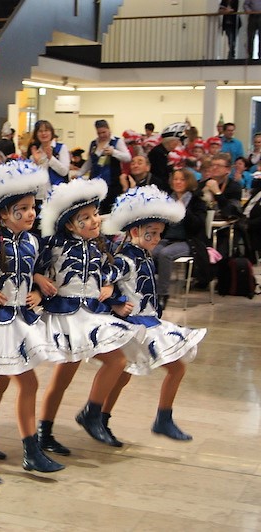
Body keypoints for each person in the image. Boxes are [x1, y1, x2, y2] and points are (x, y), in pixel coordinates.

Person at [34, 179, 144, 452]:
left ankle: (91, 413)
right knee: (63, 378)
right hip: (66, 316)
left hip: (92, 314)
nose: (95, 220)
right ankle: (46, 432)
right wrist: (38, 282)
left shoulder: (99, 246)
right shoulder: (55, 245)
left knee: (118, 359)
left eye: (96, 214)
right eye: (85, 217)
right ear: (69, 224)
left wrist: (111, 292)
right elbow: (33, 269)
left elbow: (110, 275)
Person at [0, 162, 66, 473]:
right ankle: (29, 449)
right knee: (24, 382)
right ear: (2, 213)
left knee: (2, 384)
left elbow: (32, 271)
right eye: (22, 209)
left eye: (33, 207)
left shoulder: (32, 240)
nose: (31, 214)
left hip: (19, 320)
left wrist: (38, 288)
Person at [101, 186, 207, 443]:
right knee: (130, 374)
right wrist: (115, 301)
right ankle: (104, 418)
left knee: (127, 376)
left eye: (160, 233)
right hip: (134, 326)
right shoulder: (127, 258)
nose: (158, 238)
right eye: (154, 233)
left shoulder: (145, 256)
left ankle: (110, 418)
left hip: (149, 322)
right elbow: (103, 280)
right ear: (135, 231)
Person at [152, 169, 209, 314]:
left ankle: (162, 294)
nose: (178, 182)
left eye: (182, 180)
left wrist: (184, 211)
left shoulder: (197, 201)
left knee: (165, 254)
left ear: (188, 182)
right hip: (166, 238)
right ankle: (148, 289)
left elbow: (198, 225)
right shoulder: (166, 199)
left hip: (189, 241)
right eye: (175, 179)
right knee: (150, 251)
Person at [78, 119, 132, 213]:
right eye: (99, 133)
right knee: (96, 209)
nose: (102, 135)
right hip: (95, 183)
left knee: (110, 209)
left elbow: (128, 158)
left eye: (104, 132)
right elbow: (90, 162)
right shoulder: (93, 143)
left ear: (109, 129)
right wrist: (79, 174)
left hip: (112, 183)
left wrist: (114, 152)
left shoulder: (117, 141)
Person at [29, 119, 69, 198]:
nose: (43, 133)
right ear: (36, 134)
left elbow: (64, 171)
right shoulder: (35, 152)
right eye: (40, 131)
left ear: (51, 132)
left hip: (57, 194)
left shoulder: (61, 148)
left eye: (46, 130)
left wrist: (51, 158)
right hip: (39, 195)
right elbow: (31, 176)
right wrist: (36, 162)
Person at [201, 152, 242, 219]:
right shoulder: (201, 185)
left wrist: (218, 193)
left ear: (228, 169)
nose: (214, 168)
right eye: (212, 165)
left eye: (219, 165)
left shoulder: (234, 187)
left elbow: (233, 212)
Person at [148, 123, 186, 192]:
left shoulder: (163, 152)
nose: (178, 144)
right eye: (177, 141)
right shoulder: (158, 153)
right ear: (171, 142)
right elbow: (161, 175)